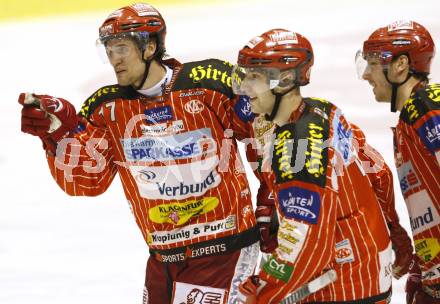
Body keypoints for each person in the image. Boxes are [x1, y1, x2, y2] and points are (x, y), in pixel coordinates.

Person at [17, 3, 270, 304]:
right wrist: (58, 134)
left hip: (223, 251)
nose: (114, 60)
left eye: (121, 48)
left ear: (150, 46)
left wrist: (271, 200)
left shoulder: (210, 83)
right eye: (109, 51)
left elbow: (265, 135)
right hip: (163, 260)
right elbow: (85, 182)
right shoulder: (106, 108)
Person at [231, 28, 410, 303]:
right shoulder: (324, 109)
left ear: (285, 79)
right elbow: (377, 170)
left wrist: (262, 291)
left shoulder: (297, 144)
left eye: (253, 77)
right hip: (370, 267)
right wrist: (395, 231)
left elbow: (306, 240)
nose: (244, 87)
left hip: (339, 285)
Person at [357, 20, 440, 304]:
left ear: (401, 65)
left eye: (372, 64)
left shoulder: (425, 106)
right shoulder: (412, 115)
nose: (366, 75)